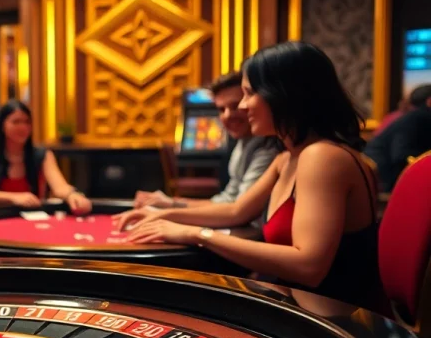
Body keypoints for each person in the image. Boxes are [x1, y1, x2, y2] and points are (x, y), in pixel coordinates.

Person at [114, 42, 385, 311]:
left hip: (341, 325)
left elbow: (308, 267)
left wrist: (196, 234)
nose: (242, 106)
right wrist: (164, 216)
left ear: (283, 94)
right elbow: (235, 211)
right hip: (299, 305)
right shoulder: (287, 157)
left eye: (249, 93)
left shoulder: (323, 157)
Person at [133, 72, 280, 213]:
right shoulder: (243, 143)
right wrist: (170, 205)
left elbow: (238, 212)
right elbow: (227, 201)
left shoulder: (269, 148)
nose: (228, 115)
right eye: (221, 109)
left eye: (235, 106)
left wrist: (170, 211)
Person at [0, 99, 91, 213]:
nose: (23, 127)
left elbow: (60, 187)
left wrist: (73, 195)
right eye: (16, 122)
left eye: (27, 122)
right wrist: (14, 198)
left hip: (32, 217)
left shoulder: (43, 155)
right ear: (3, 125)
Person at [365, 83, 431, 191]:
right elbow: (401, 155)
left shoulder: (412, 117)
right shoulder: (418, 118)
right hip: (385, 180)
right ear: (429, 101)